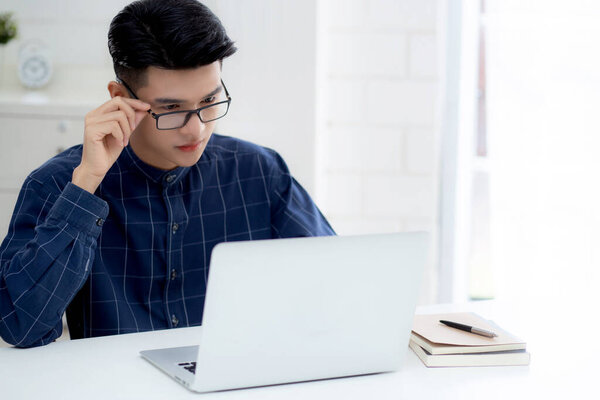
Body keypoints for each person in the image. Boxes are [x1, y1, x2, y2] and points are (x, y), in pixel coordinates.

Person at [0, 0, 334, 348]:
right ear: (119, 99)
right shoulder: (59, 184)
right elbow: (22, 328)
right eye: (172, 109)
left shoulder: (260, 172)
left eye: (209, 101)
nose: (196, 130)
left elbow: (338, 281)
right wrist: (86, 185)